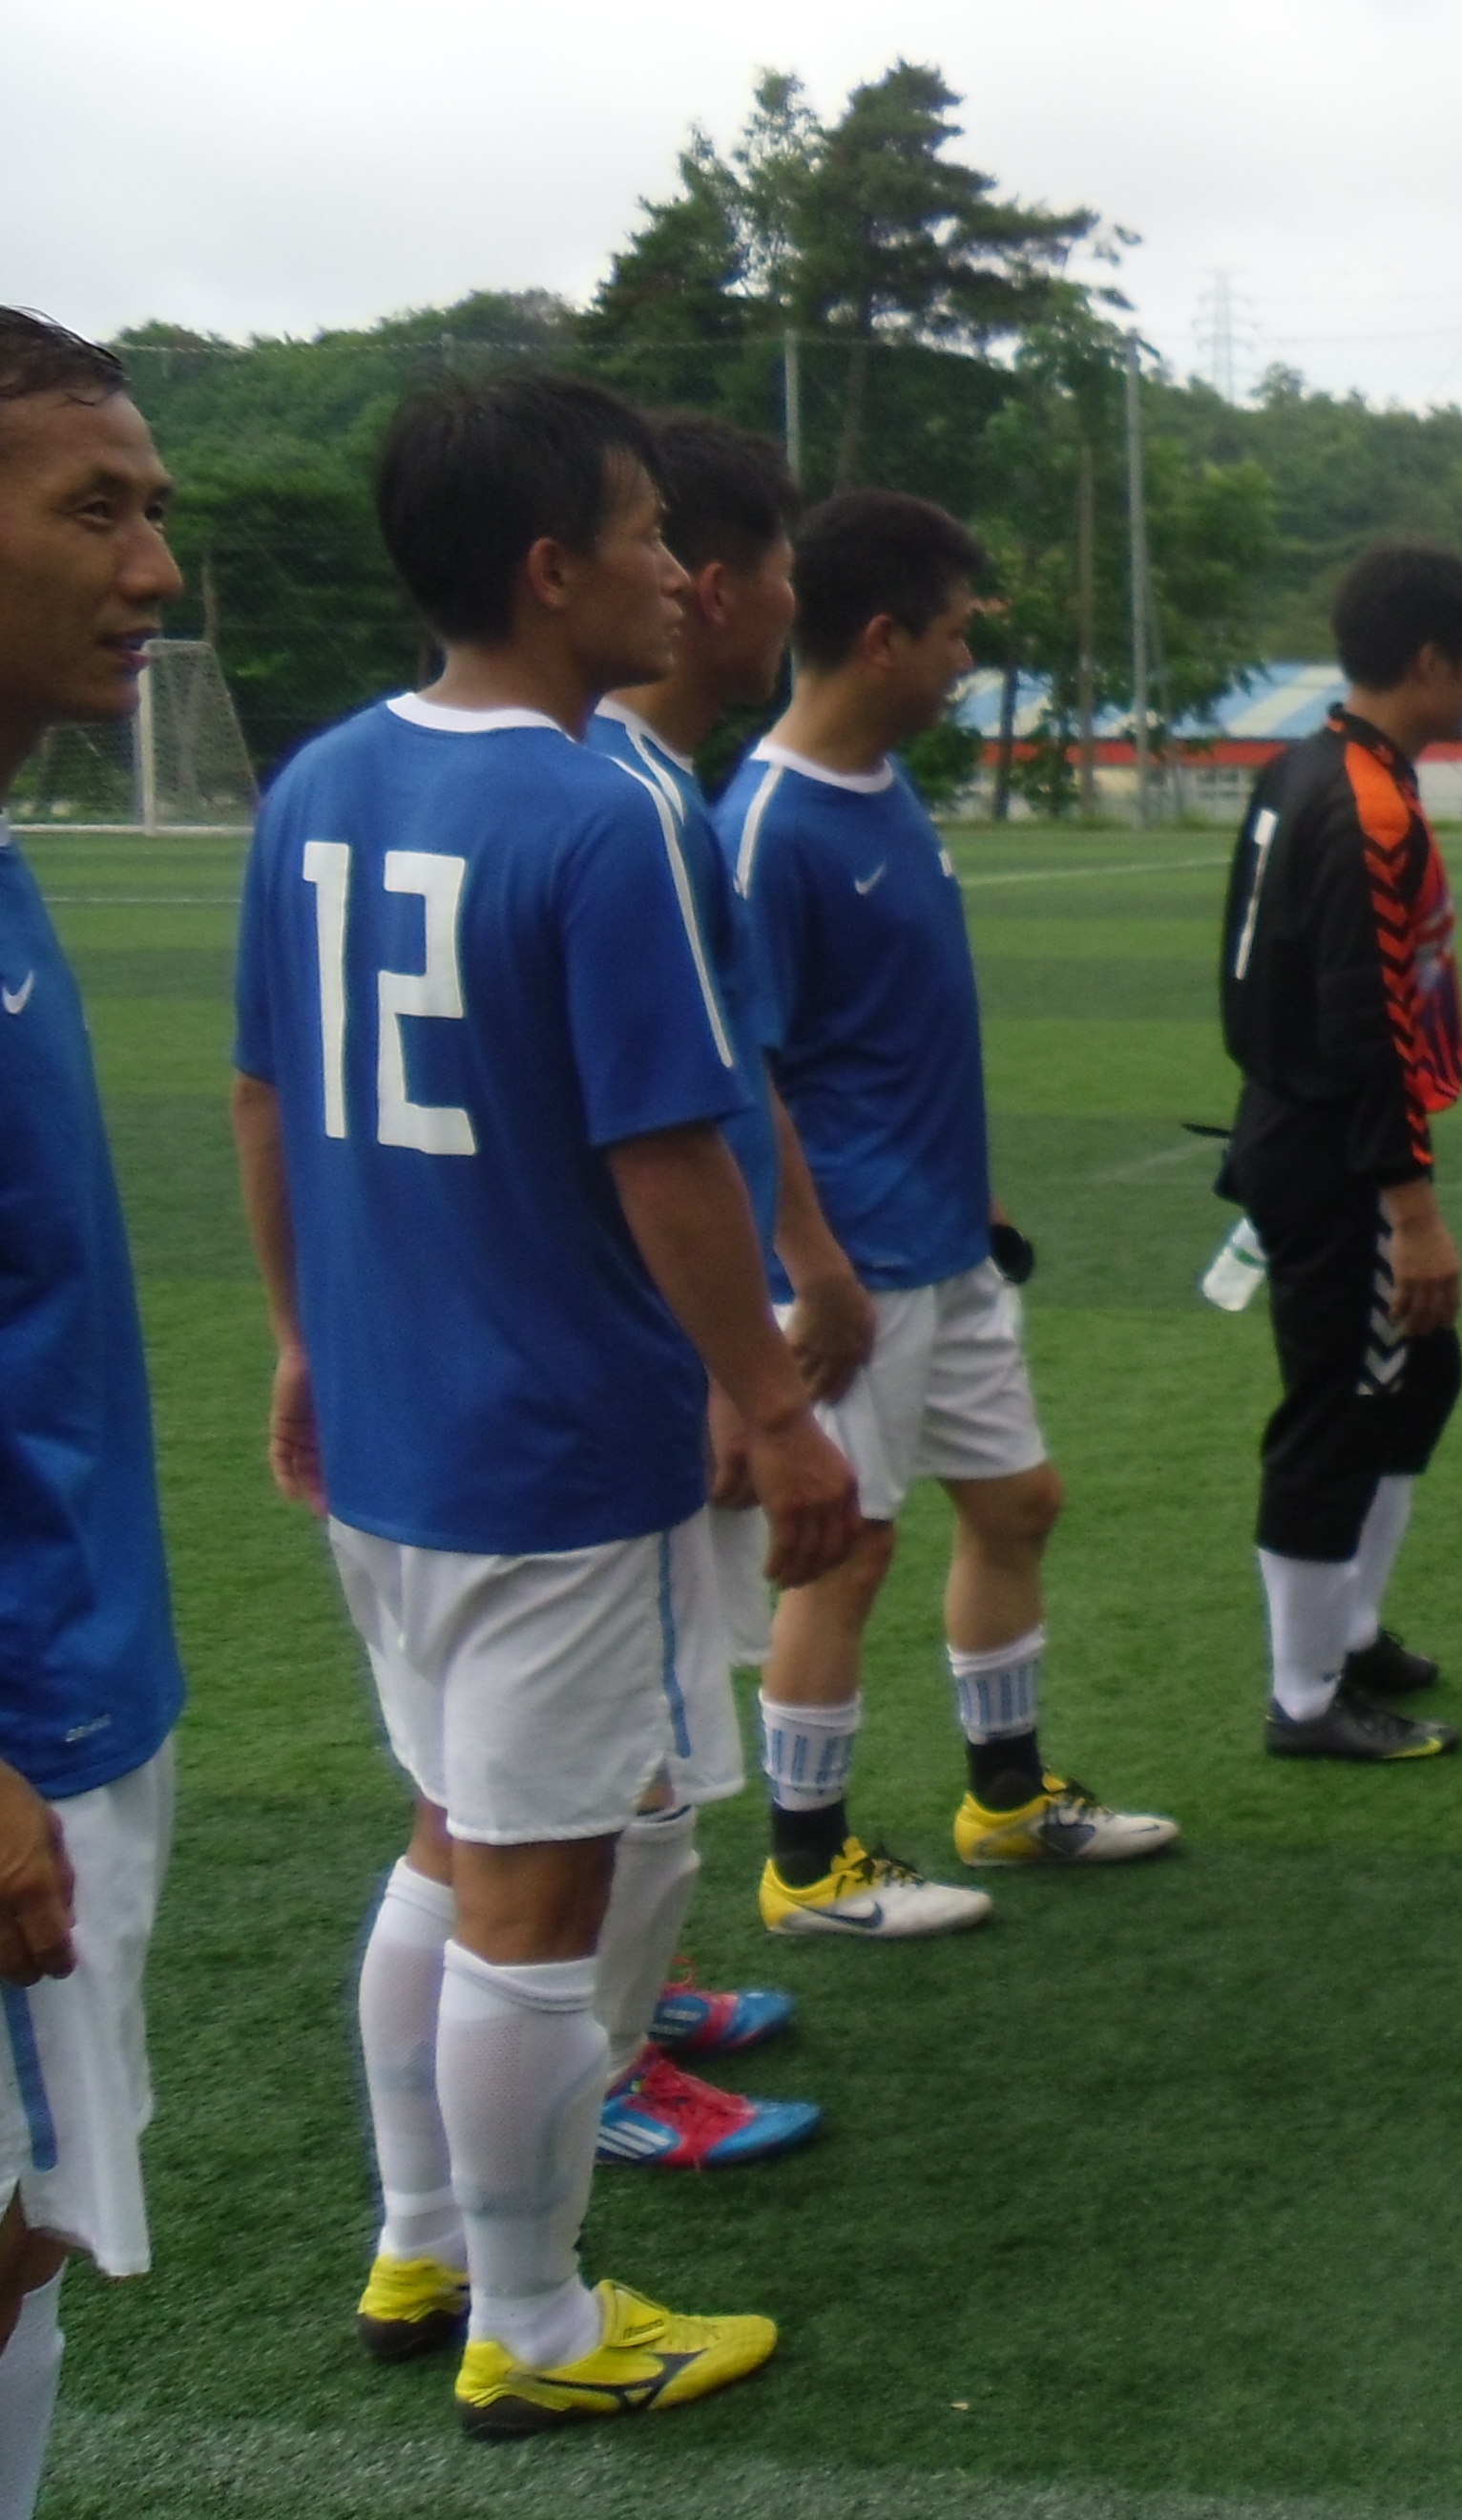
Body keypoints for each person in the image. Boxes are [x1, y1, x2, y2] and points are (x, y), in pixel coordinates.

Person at [231, 371, 853, 2438]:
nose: (682, 570)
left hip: (390, 1431)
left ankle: (424, 2239)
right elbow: (665, 1154)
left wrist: (303, 1340)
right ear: (547, 569)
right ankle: (539, 2321)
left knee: (448, 1840)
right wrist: (772, 1404)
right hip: (553, 1441)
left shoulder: (321, 779)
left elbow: (263, 1092)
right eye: (648, 531)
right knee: (539, 1892)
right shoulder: (597, 814)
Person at [725, 494, 1172, 1940]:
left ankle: (1008, 1799)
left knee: (1019, 1503)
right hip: (852, 1265)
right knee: (844, 1550)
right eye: (957, 636)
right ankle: (808, 1864)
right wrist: (813, 1267)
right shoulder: (769, 826)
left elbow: (893, 1032)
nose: (966, 664)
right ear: (882, 639)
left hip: (945, 1241)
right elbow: (741, 1076)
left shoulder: (886, 789)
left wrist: (970, 1192)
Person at [579, 413, 869, 2171]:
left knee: (615, 1742)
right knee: (619, 1745)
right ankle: (600, 2075)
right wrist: (737, 1368)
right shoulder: (612, 799)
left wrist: (801, 1258)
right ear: (709, 583)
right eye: (779, 572)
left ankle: (629, 2002)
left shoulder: (642, 788)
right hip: (609, 1369)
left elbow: (726, 1074)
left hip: (577, 1357)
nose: (784, 606)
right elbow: (649, 1127)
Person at [0, 311, 183, 2518]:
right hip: (19, 1727)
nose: (152, 569)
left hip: (75, 1685)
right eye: (95, 509)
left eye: (155, 510)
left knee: (24, 2240)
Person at [1218, 543, 1462, 1759]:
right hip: (1333, 1146)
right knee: (1339, 1405)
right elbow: (1366, 1026)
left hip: (1294, 1124)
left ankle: (1351, 1628)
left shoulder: (1307, 764)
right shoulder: (1365, 804)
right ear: (1429, 661)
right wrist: (1411, 1212)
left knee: (1417, 1377)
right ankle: (1306, 1695)